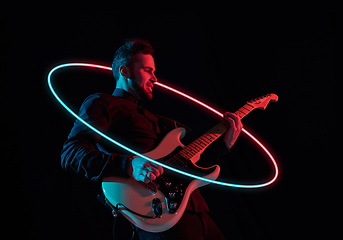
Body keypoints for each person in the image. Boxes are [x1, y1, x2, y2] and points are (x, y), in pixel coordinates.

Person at [61, 38, 243, 240]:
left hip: (195, 210)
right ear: (125, 72)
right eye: (148, 70)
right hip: (157, 215)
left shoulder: (157, 120)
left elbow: (186, 166)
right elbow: (71, 152)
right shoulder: (102, 103)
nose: (155, 78)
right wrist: (129, 165)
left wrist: (225, 143)